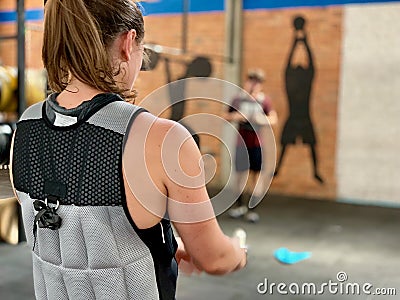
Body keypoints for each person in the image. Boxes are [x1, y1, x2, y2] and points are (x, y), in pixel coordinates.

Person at [9, 1, 246, 300]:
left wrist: (167, 243)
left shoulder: (25, 129)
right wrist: (238, 250)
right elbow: (216, 259)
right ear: (128, 42)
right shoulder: (161, 138)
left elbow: (67, 231)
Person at [224, 69, 277, 223]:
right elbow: (226, 115)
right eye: (251, 81)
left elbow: (273, 118)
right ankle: (239, 206)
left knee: (255, 176)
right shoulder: (238, 99)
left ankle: (252, 209)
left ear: (260, 85)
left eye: (257, 83)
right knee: (240, 176)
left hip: (256, 144)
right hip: (241, 143)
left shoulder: (263, 100)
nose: (253, 85)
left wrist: (260, 119)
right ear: (246, 82)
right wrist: (238, 116)